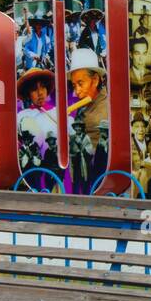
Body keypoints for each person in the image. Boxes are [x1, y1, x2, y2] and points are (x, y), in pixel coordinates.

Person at [66, 47, 109, 195]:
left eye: (80, 83)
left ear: (95, 80)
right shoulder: (83, 107)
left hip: (101, 182)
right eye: (74, 85)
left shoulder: (107, 107)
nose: (76, 91)